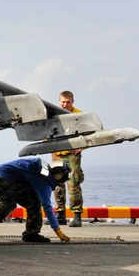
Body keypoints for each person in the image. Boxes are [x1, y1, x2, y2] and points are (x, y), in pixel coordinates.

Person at [0, 158, 72, 244]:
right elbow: (47, 206)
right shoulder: (44, 180)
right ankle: (31, 234)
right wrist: (57, 230)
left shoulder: (41, 166)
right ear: (58, 176)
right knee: (34, 203)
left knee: (8, 205)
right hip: (8, 179)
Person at [52, 90, 85, 227]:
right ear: (59, 101)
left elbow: (90, 134)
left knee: (73, 184)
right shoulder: (54, 114)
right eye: (63, 102)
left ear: (73, 102)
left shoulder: (80, 115)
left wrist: (82, 147)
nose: (65, 104)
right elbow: (47, 132)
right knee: (57, 183)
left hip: (73, 154)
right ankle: (60, 215)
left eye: (68, 102)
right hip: (57, 153)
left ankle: (77, 216)